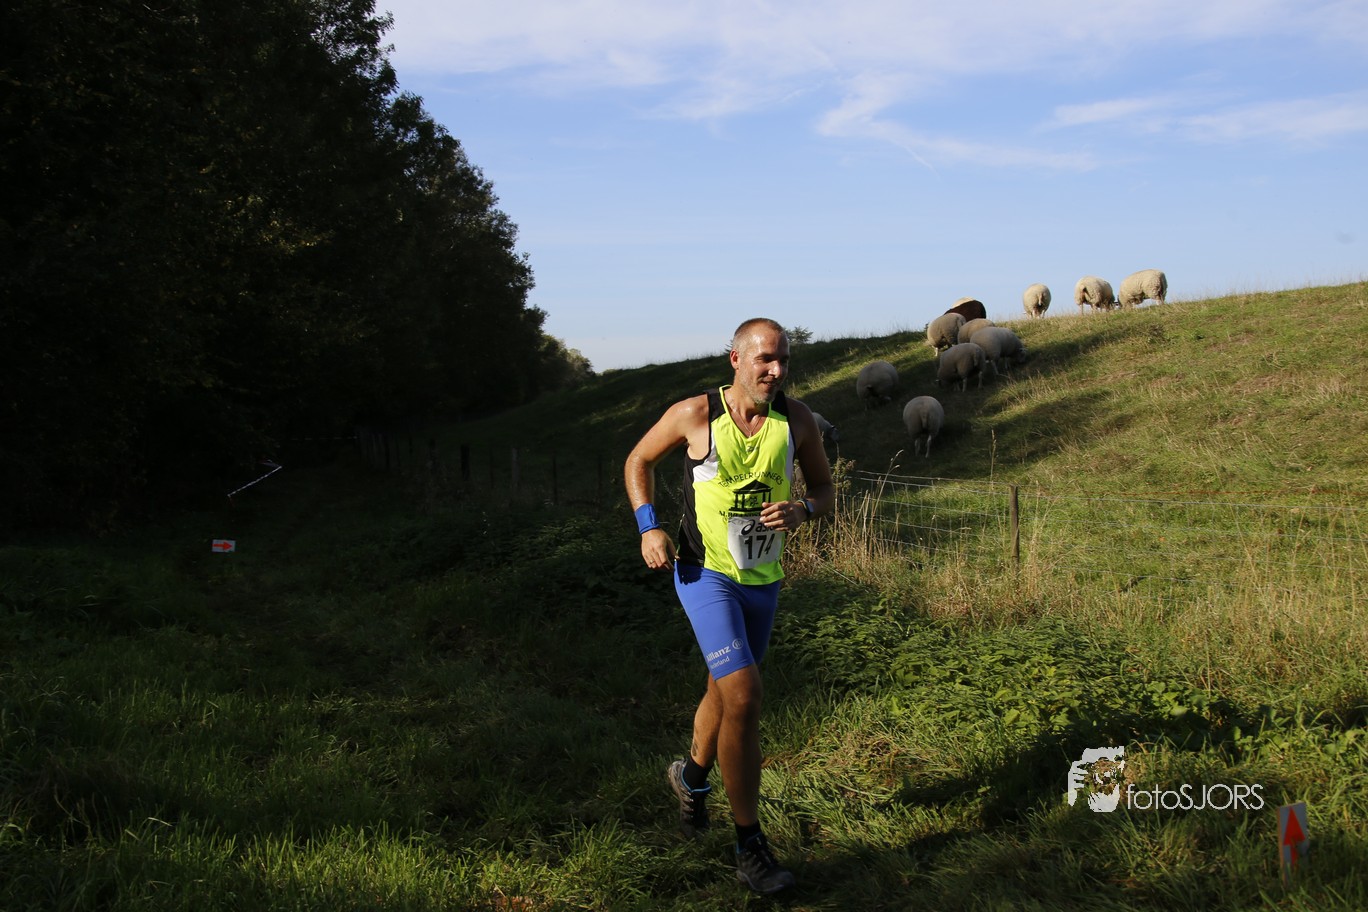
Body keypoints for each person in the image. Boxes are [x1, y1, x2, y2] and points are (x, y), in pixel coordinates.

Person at [623, 317, 835, 895]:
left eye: (784, 360)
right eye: (766, 359)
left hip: (763, 579)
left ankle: (690, 779)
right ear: (736, 359)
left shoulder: (798, 420)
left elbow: (823, 490)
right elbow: (638, 461)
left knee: (724, 691)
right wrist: (649, 527)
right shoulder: (696, 414)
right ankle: (749, 846)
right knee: (744, 693)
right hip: (704, 573)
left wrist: (803, 511)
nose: (777, 370)